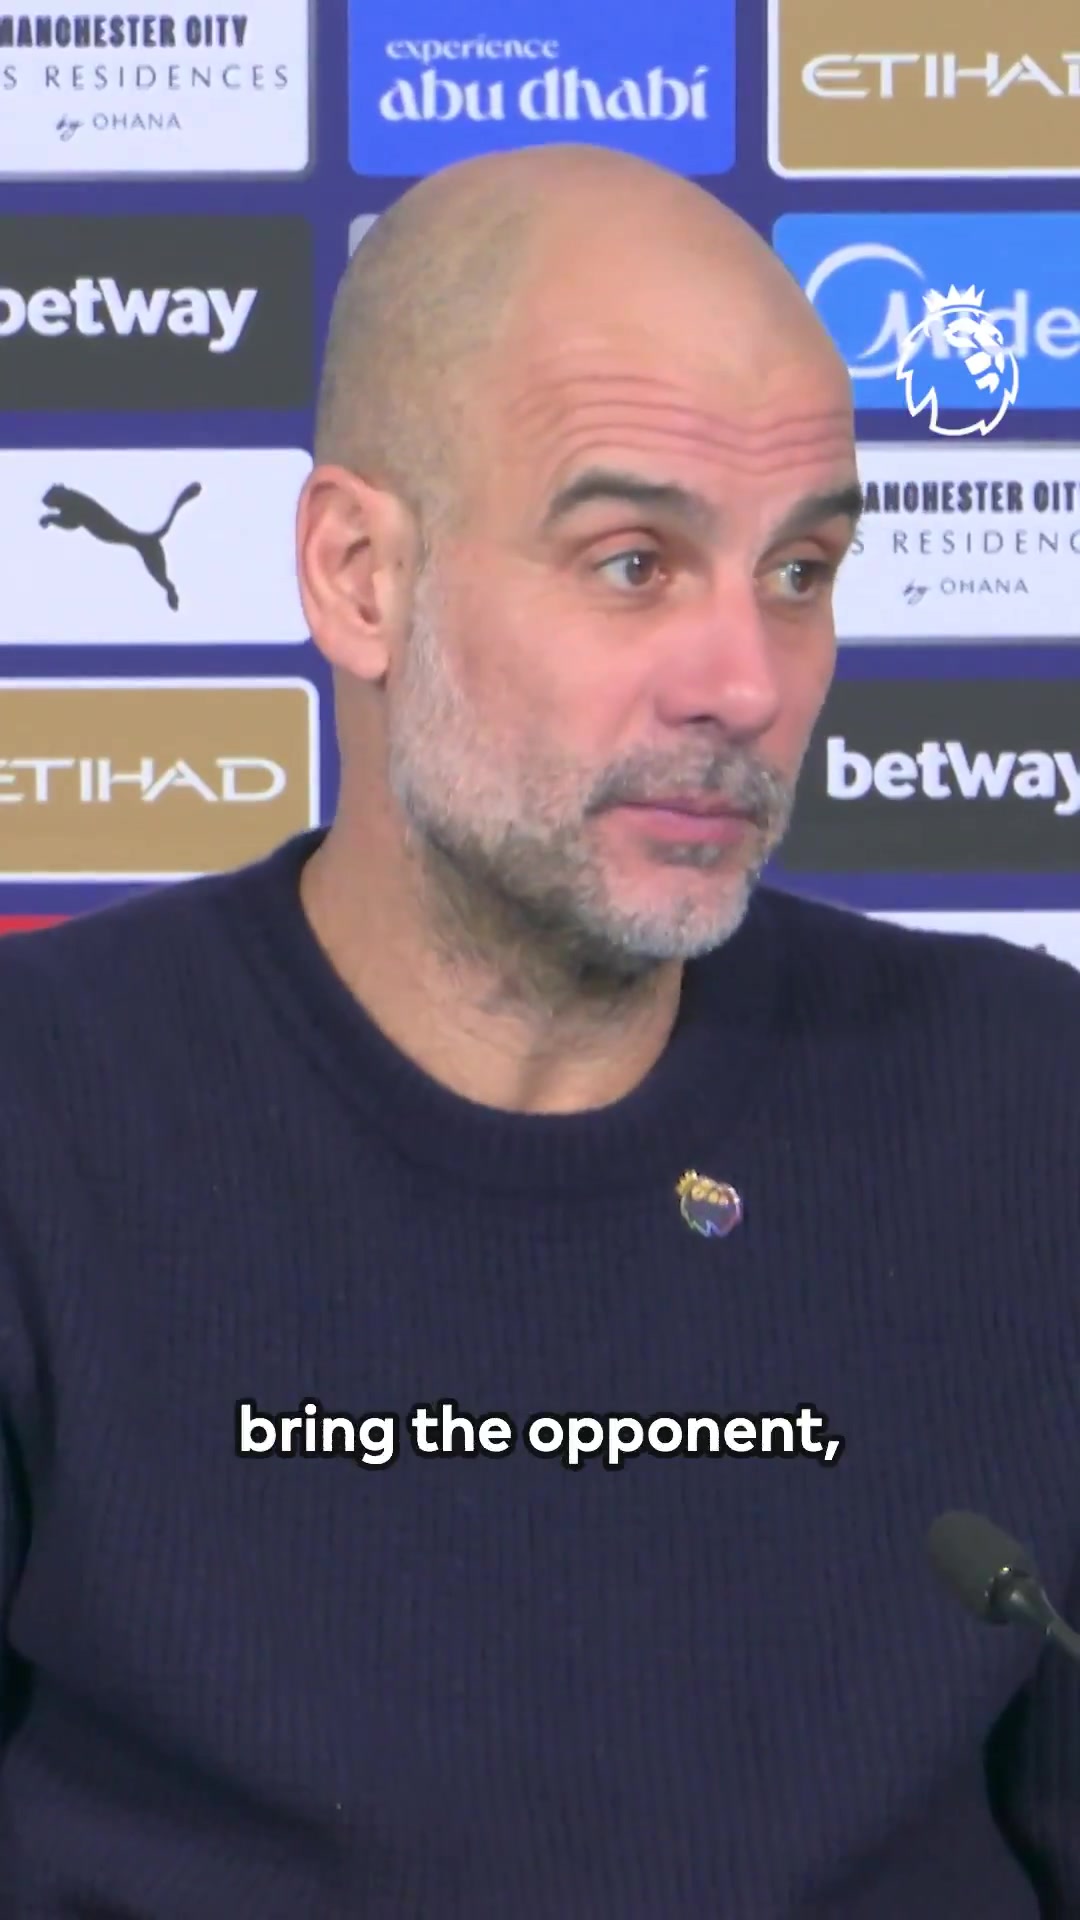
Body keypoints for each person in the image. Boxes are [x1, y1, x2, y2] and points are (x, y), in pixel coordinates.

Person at [1, 142, 1078, 1919]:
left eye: (800, 570)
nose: (745, 681)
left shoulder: (1024, 1103)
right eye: (634, 562)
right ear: (359, 576)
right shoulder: (45, 1117)